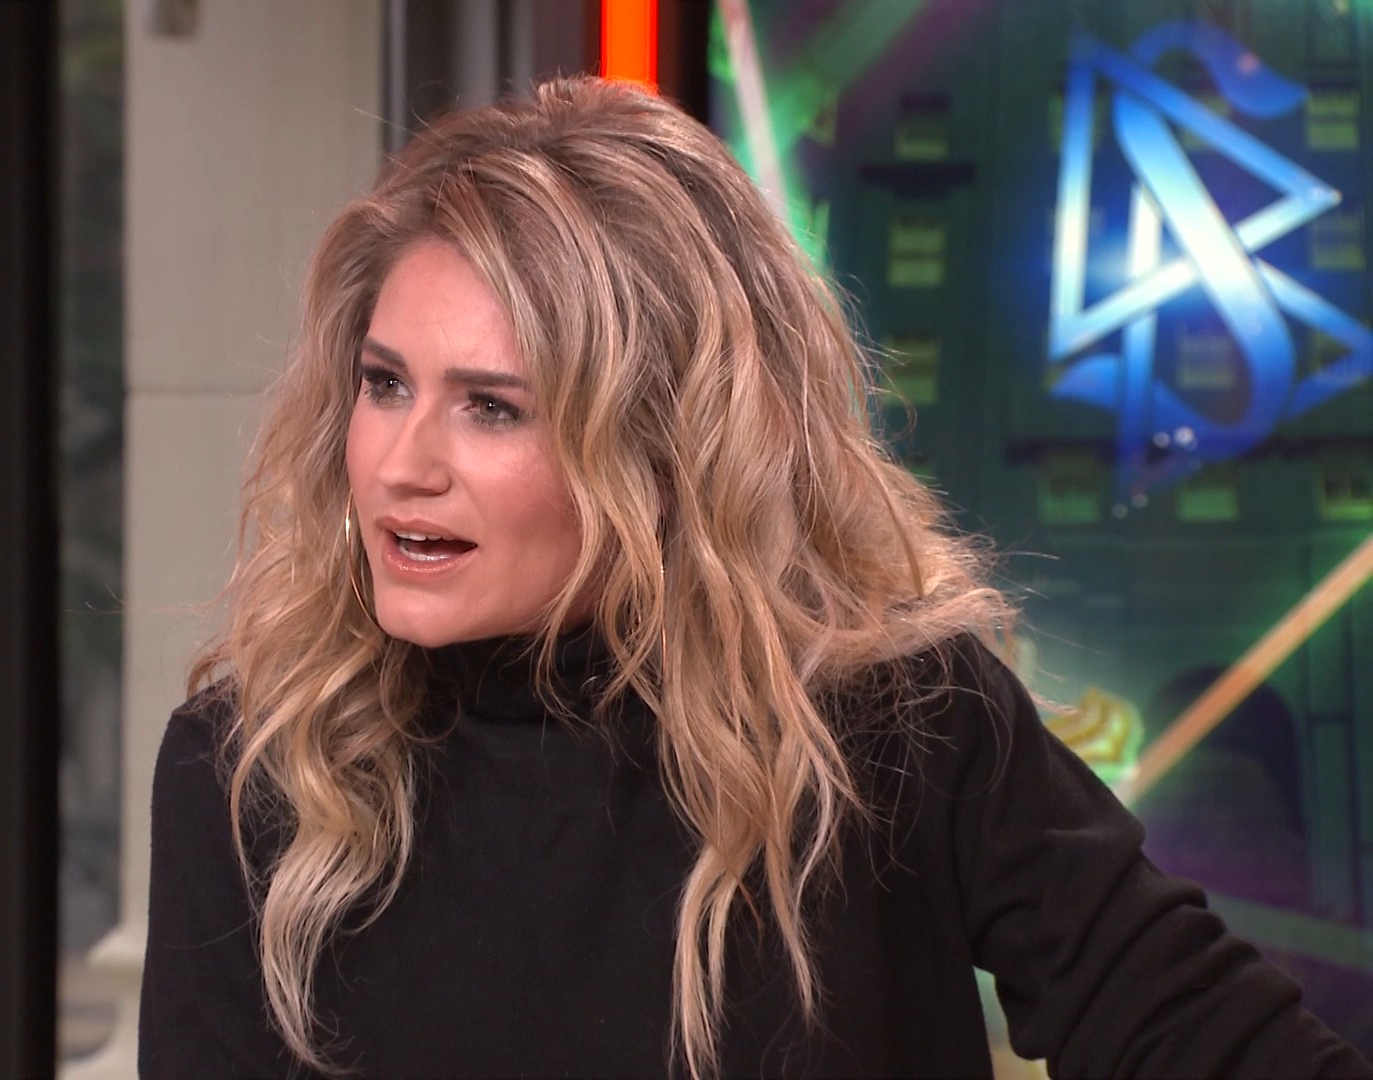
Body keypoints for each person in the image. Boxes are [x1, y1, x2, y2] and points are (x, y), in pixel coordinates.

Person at [136, 76, 1373, 1079]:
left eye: (492, 408)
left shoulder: (898, 725)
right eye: (384, 383)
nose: (402, 465)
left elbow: (1202, 1035)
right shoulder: (249, 770)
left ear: (659, 452)